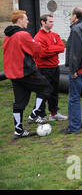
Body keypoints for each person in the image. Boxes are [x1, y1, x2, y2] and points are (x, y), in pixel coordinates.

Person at [3, 10, 52, 138]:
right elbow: (37, 51)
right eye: (26, 19)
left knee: (20, 102)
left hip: (13, 74)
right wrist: (38, 44)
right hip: (25, 71)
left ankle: (18, 130)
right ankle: (34, 114)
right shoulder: (23, 35)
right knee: (46, 88)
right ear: (19, 20)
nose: (28, 21)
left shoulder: (8, 35)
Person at [33, 14, 67, 121]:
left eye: (53, 21)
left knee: (54, 91)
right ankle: (40, 115)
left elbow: (62, 47)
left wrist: (50, 48)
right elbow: (42, 53)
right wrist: (54, 49)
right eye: (50, 22)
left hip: (55, 67)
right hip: (43, 68)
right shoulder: (38, 37)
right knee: (43, 92)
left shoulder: (55, 35)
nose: (52, 23)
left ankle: (54, 113)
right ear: (43, 22)